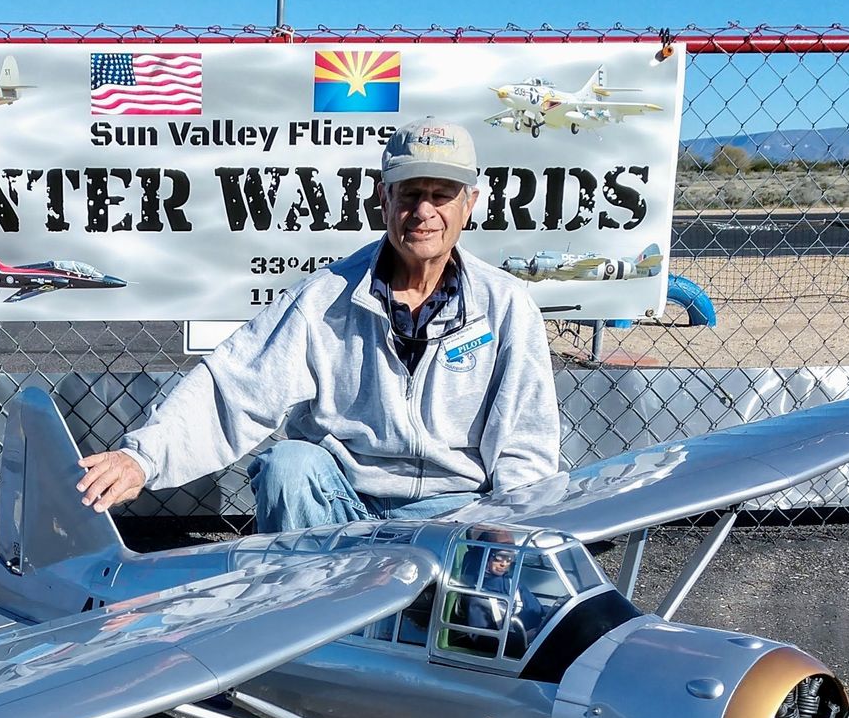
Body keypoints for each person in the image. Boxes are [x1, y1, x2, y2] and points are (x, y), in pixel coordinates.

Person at [76, 117, 560, 532]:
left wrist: (513, 526)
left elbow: (526, 439)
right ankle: (305, 606)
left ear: (469, 203)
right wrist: (142, 458)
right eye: (410, 193)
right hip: (343, 503)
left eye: (442, 195)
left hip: (456, 509)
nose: (423, 212)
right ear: (384, 199)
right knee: (288, 465)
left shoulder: (505, 305)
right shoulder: (324, 297)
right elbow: (233, 387)